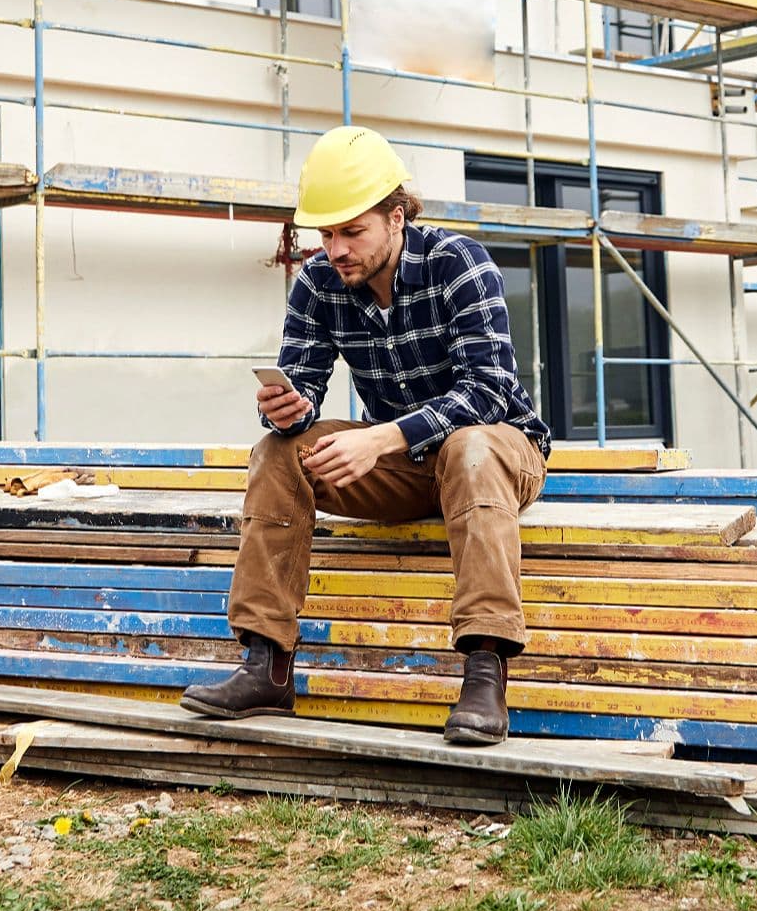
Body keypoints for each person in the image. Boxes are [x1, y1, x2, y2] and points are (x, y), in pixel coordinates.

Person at [180, 125, 550, 744]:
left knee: (471, 445)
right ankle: (266, 664)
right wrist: (287, 408)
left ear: (397, 217)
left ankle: (485, 674)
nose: (337, 249)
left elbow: (488, 394)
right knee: (278, 453)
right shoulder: (319, 284)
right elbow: (302, 396)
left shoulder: (460, 264)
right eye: (326, 234)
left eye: (353, 231)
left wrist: (379, 438)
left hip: (499, 456)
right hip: (407, 470)